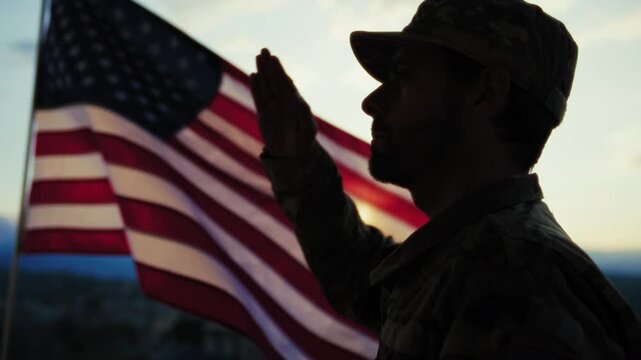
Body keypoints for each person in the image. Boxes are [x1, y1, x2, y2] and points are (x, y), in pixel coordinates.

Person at [249, 0, 641, 358]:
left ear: (487, 93)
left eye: (403, 76)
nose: (372, 102)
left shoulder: (516, 283)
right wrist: (298, 159)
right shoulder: (473, 259)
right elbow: (357, 274)